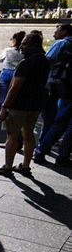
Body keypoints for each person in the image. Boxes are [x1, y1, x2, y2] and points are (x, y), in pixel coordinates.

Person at [0, 33, 50, 177]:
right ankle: (25, 166)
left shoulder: (26, 62)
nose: (20, 46)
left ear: (34, 45)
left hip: (18, 105)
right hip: (35, 105)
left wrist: (4, 106)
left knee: (11, 135)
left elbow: (14, 87)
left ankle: (8, 167)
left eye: (24, 44)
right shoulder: (44, 60)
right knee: (29, 135)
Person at [34, 25, 72, 166]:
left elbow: (46, 61)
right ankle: (62, 155)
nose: (54, 34)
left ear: (64, 32)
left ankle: (40, 150)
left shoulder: (61, 43)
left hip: (59, 87)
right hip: (67, 87)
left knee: (56, 120)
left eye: (57, 31)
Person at [0, 31, 25, 148]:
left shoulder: (8, 50)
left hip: (6, 75)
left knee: (3, 99)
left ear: (14, 40)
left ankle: (3, 117)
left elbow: (0, 60)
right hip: (17, 75)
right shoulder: (24, 53)